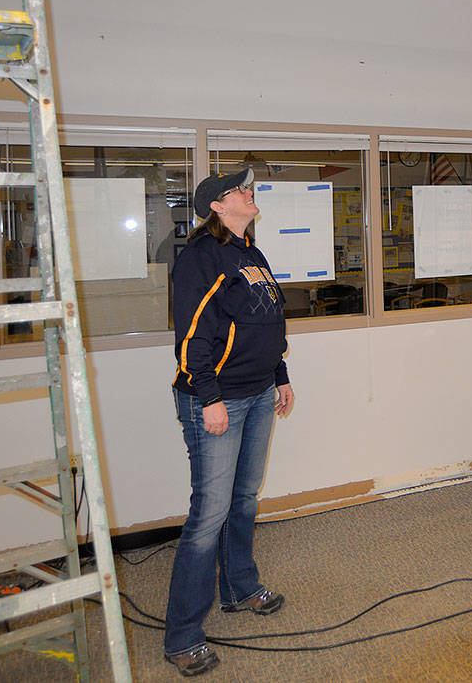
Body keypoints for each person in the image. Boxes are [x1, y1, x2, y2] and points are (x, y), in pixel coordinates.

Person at [163, 167, 295, 677]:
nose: (250, 193)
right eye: (242, 190)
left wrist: (279, 374)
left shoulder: (250, 255)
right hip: (215, 399)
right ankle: (182, 635)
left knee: (244, 500)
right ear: (217, 205)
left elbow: (267, 321)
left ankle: (239, 588)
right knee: (209, 515)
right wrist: (209, 396)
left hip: (259, 392)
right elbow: (193, 333)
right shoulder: (201, 257)